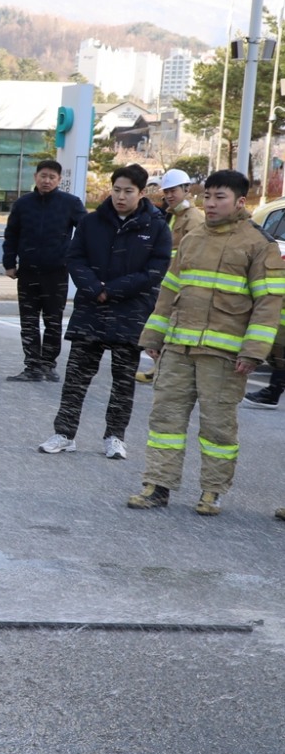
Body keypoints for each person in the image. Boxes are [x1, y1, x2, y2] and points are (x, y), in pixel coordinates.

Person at [127, 169, 285, 515]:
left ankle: (212, 491)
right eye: (207, 197)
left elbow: (268, 304)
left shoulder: (259, 246)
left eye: (220, 198)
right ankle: (157, 485)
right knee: (165, 420)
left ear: (240, 202)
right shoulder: (192, 239)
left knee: (217, 428)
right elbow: (169, 292)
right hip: (178, 348)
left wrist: (253, 352)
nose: (211, 204)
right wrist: (154, 336)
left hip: (225, 356)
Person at [36, 165, 170, 460]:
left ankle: (115, 437)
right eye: (117, 190)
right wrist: (95, 287)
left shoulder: (156, 226)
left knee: (123, 382)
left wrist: (115, 289)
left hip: (130, 312)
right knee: (76, 378)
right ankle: (65, 433)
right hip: (91, 308)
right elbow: (75, 257)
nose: (121, 197)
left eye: (128, 191)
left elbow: (156, 270)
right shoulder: (92, 221)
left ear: (142, 192)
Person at [2, 159, 86, 381]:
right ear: (35, 177)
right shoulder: (23, 204)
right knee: (28, 322)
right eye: (43, 176)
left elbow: (86, 231)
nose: (47, 180)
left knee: (53, 321)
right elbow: (11, 234)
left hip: (56, 272)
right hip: (27, 272)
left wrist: (74, 257)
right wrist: (9, 263)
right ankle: (32, 366)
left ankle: (48, 364)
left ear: (59, 180)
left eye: (52, 177)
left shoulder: (70, 203)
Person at [138, 168, 204, 385]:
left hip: (179, 281)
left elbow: (191, 253)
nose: (168, 195)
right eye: (166, 191)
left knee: (169, 325)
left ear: (186, 189)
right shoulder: (173, 215)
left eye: (173, 190)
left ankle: (161, 370)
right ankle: (158, 367)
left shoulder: (193, 217)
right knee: (162, 324)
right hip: (166, 279)